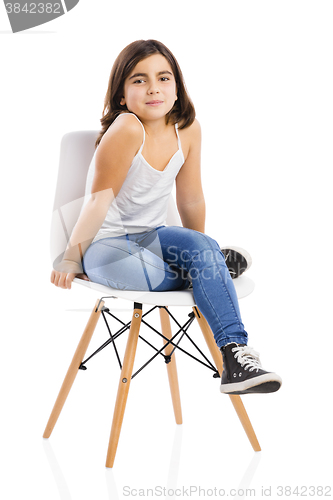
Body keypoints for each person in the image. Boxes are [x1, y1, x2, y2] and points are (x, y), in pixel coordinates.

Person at [51, 39, 281, 395]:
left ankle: (235, 357)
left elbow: (190, 199)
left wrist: (203, 247)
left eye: (164, 77)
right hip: (107, 247)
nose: (154, 87)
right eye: (139, 80)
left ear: (177, 89)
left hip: (153, 236)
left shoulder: (187, 129)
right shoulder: (127, 128)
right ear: (122, 95)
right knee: (170, 269)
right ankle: (211, 271)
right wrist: (70, 258)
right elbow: (97, 203)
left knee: (202, 246)